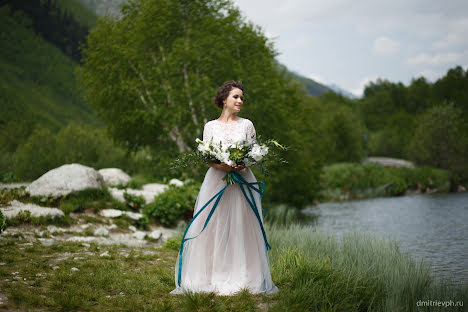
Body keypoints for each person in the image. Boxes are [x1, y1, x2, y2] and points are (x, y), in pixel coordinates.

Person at [169, 80, 279, 296]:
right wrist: (222, 165)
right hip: (217, 180)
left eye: (241, 98)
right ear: (223, 99)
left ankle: (246, 275)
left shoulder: (246, 125)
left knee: (242, 226)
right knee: (213, 226)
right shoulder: (210, 126)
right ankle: (211, 275)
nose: (240, 101)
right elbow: (206, 157)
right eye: (236, 97)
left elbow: (254, 154)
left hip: (242, 180)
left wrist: (242, 164)